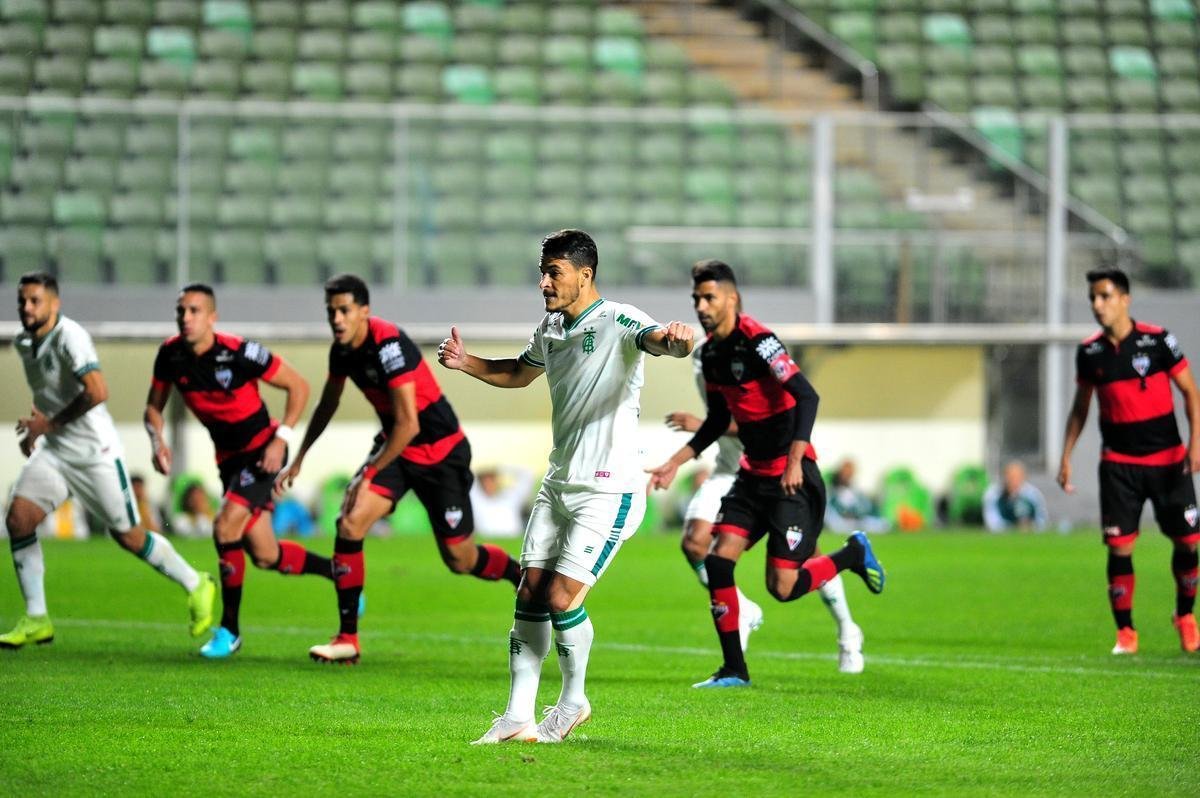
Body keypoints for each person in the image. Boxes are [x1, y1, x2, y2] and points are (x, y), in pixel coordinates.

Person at [437, 229, 694, 744]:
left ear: (585, 274)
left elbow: (659, 342)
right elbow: (518, 372)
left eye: (553, 272)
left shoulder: (620, 319)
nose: (544, 282)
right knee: (529, 591)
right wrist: (467, 364)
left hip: (608, 488)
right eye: (543, 271)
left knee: (561, 596)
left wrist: (677, 340)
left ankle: (574, 702)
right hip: (559, 482)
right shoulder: (551, 327)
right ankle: (516, 718)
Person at [647, 260, 885, 688]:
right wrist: (675, 462)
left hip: (792, 479)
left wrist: (795, 460)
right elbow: (718, 420)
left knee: (783, 587)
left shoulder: (759, 341)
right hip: (751, 476)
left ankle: (851, 553)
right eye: (696, 299)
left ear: (732, 299)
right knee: (718, 562)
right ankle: (734, 671)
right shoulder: (712, 355)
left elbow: (806, 397)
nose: (701, 306)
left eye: (709, 298)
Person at [276, 273, 521, 665]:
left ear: (364, 311)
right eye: (331, 312)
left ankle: (516, 573)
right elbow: (327, 405)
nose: (336, 319)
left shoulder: (388, 343)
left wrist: (368, 473)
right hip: (399, 450)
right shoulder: (341, 352)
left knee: (460, 559)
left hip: (440, 452)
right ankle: (347, 639)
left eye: (343, 310)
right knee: (350, 521)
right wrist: (301, 455)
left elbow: (409, 422)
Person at [2, 273, 215, 649]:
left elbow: (98, 391)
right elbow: (48, 392)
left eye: (35, 301)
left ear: (55, 304)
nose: (27, 308)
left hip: (94, 453)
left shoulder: (72, 337)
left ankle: (197, 583)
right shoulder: (24, 343)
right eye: (22, 302)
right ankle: (37, 617)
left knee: (129, 536)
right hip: (55, 450)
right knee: (19, 519)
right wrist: (38, 426)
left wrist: (47, 424)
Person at [146, 283, 337, 658]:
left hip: (263, 454)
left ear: (212, 317)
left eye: (195, 311)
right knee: (266, 554)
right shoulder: (169, 355)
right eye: (181, 311)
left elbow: (298, 385)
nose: (186, 318)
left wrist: (281, 438)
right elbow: (153, 407)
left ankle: (229, 631)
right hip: (229, 461)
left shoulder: (238, 352)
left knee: (224, 525)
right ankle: (339, 574)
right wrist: (157, 440)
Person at [1058, 268, 1200, 655]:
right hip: (1119, 465)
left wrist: (1196, 445)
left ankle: (1185, 616)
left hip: (1169, 461)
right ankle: (1126, 633)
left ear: (1124, 299)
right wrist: (1067, 455)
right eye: (1092, 298)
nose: (1097, 305)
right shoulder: (1090, 352)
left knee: (1188, 541)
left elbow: (1191, 393)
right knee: (1119, 547)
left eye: (1104, 296)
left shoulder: (1158, 341)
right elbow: (1080, 409)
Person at [826, 458, 890, 534]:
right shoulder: (832, 489)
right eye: (846, 470)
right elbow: (831, 508)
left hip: (858, 520)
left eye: (850, 471)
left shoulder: (855, 490)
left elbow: (865, 507)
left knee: (882, 524)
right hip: (840, 520)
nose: (847, 474)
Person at [983, 460, 1049, 533]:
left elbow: (1041, 519)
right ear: (1004, 477)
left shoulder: (1033, 494)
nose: (1013, 480)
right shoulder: (993, 494)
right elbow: (992, 522)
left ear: (1024, 477)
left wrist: (1031, 526)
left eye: (1017, 477)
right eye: (1010, 476)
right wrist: (1014, 527)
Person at [470, 465, 534, 538]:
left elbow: (527, 475)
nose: (489, 484)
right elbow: (465, 478)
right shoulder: (478, 501)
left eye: (492, 480)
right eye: (485, 481)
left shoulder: (510, 497)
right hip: (488, 543)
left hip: (513, 541)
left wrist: (500, 468)